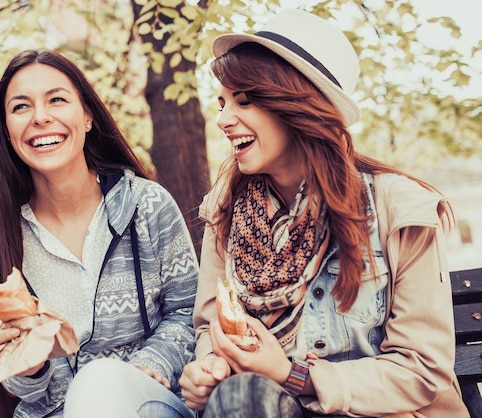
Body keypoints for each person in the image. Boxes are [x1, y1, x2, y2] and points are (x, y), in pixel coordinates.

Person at [179, 8, 470, 418]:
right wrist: (207, 366)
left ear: (298, 106)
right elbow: (212, 328)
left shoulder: (400, 209)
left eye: (244, 101)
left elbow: (422, 371)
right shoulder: (225, 211)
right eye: (222, 102)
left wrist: (292, 375)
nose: (223, 120)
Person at [0, 48, 198, 418]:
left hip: (147, 402)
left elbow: (188, 312)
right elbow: (15, 379)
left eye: (57, 100)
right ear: (7, 131)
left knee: (101, 382)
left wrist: (149, 363)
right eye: (21, 107)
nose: (41, 118)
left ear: (87, 115)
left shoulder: (147, 205)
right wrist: (27, 366)